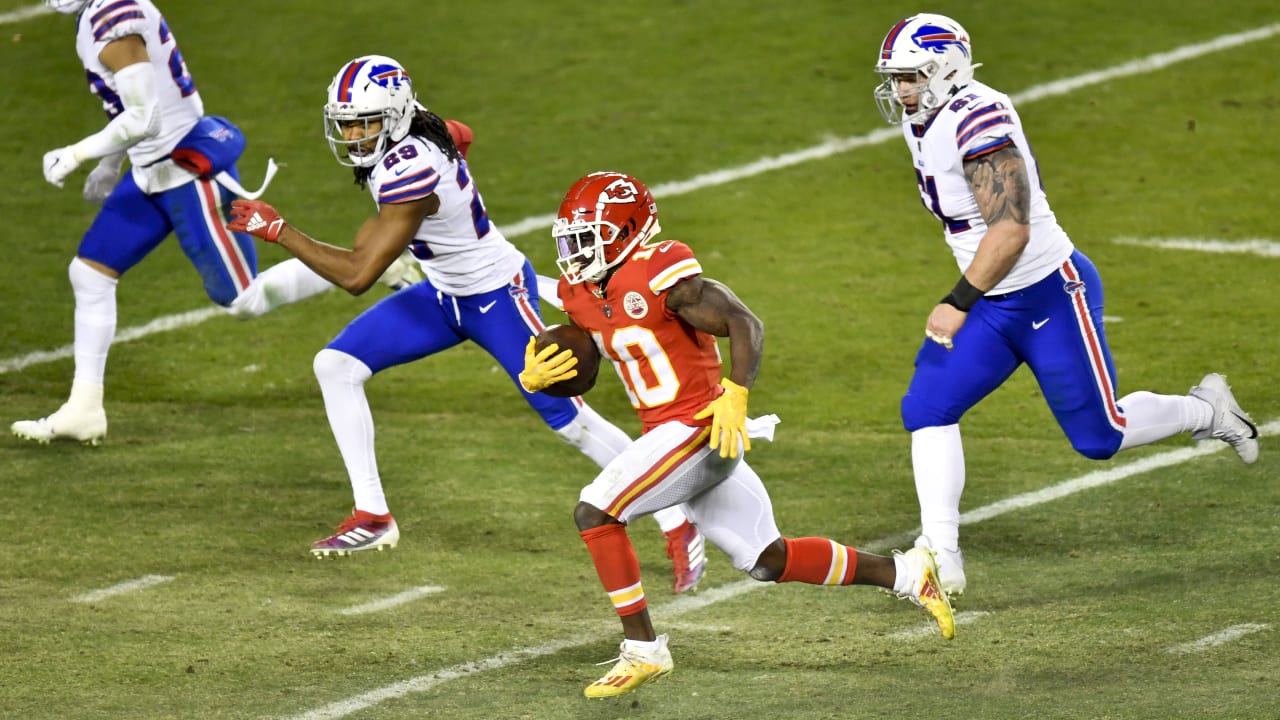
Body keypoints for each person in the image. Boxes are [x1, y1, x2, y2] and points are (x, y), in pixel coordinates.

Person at [226, 56, 706, 591]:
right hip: (443, 292)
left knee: (572, 422)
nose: (354, 134)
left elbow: (359, 273)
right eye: (347, 122)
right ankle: (373, 515)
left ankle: (677, 520)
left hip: (496, 295)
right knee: (335, 365)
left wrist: (280, 230)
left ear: (395, 114)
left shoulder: (410, 168)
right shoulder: (420, 126)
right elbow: (462, 133)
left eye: (364, 121)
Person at [519, 171, 955, 698]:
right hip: (670, 434)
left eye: (588, 235)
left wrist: (736, 391)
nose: (576, 249)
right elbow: (586, 364)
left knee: (596, 511)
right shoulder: (580, 293)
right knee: (767, 559)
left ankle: (643, 650)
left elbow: (745, 323)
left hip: (702, 425)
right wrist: (547, 378)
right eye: (572, 237)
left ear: (627, 229)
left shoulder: (661, 270)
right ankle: (909, 573)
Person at [871, 13, 1260, 598]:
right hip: (994, 303)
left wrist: (957, 302)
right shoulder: (926, 120)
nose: (901, 90)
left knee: (1100, 436)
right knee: (927, 404)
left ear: (946, 68)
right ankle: (941, 557)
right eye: (895, 78)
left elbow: (1011, 230)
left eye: (910, 77)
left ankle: (1209, 410)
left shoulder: (977, 117)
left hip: (1049, 293)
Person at [12, 0, 339, 446]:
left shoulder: (111, 20)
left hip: (187, 172)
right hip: (151, 171)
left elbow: (144, 117)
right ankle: (84, 409)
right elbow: (137, 104)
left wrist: (76, 154)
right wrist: (112, 165)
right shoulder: (102, 11)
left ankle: (364, 265)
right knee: (89, 274)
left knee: (245, 299)